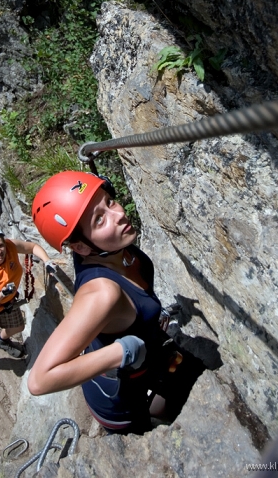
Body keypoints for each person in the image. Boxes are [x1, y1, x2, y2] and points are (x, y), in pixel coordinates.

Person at [27, 171, 206, 434]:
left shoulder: (109, 249)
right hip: (122, 405)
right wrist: (121, 352)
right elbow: (39, 380)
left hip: (138, 368)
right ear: (81, 248)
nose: (119, 213)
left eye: (109, 202)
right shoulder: (102, 294)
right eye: (99, 220)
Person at [0, 225, 54, 383]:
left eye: (0, 245)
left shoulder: (11, 246)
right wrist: (2, 293)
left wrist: (47, 261)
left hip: (6, 301)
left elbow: (33, 247)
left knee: (17, 327)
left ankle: (1, 340)